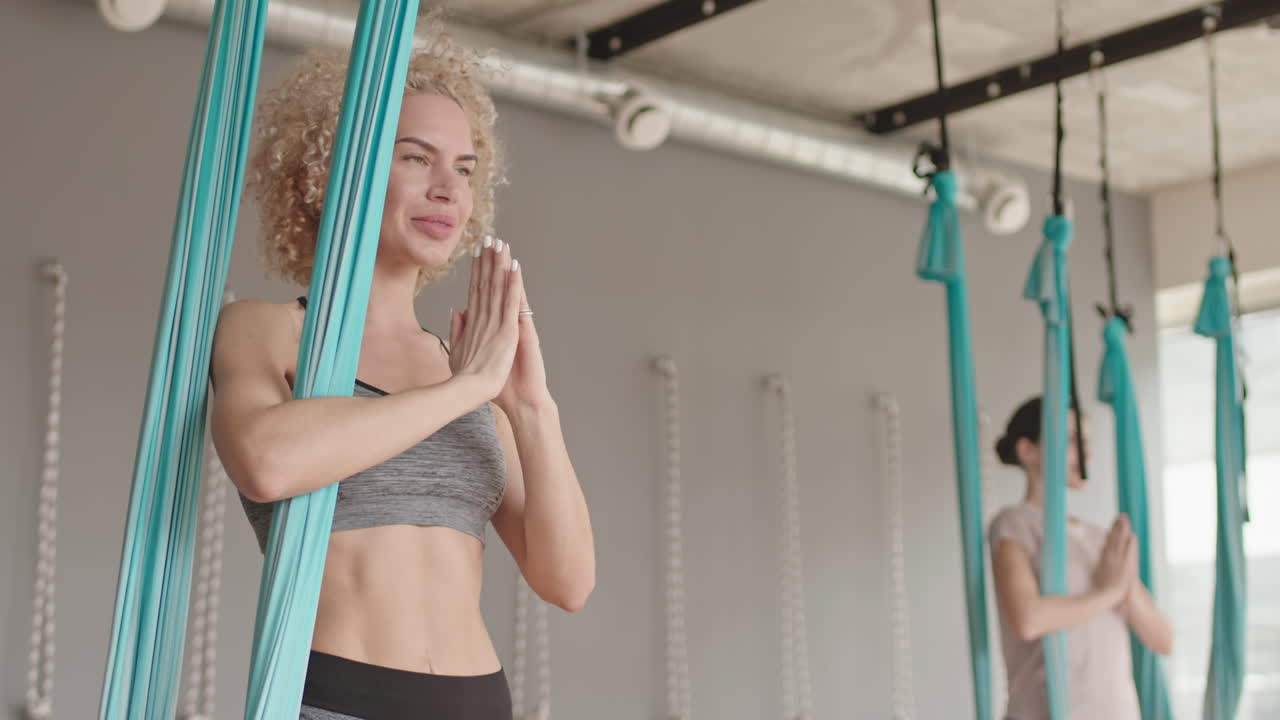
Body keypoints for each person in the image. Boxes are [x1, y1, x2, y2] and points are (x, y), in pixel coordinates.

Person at [209, 23, 594, 720]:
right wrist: (465, 390)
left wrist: (532, 408)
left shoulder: (465, 368)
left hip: (481, 700)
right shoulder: (268, 330)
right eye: (416, 158)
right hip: (342, 699)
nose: (448, 189)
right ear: (334, 172)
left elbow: (566, 582)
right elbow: (266, 463)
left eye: (465, 170)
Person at [988, 396, 1172, 720]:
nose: (1085, 454)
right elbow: (1029, 619)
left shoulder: (1101, 539)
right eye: (1072, 440)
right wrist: (1110, 592)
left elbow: (1163, 639)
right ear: (1028, 451)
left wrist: (1125, 587)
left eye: (1087, 442)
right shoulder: (1013, 524)